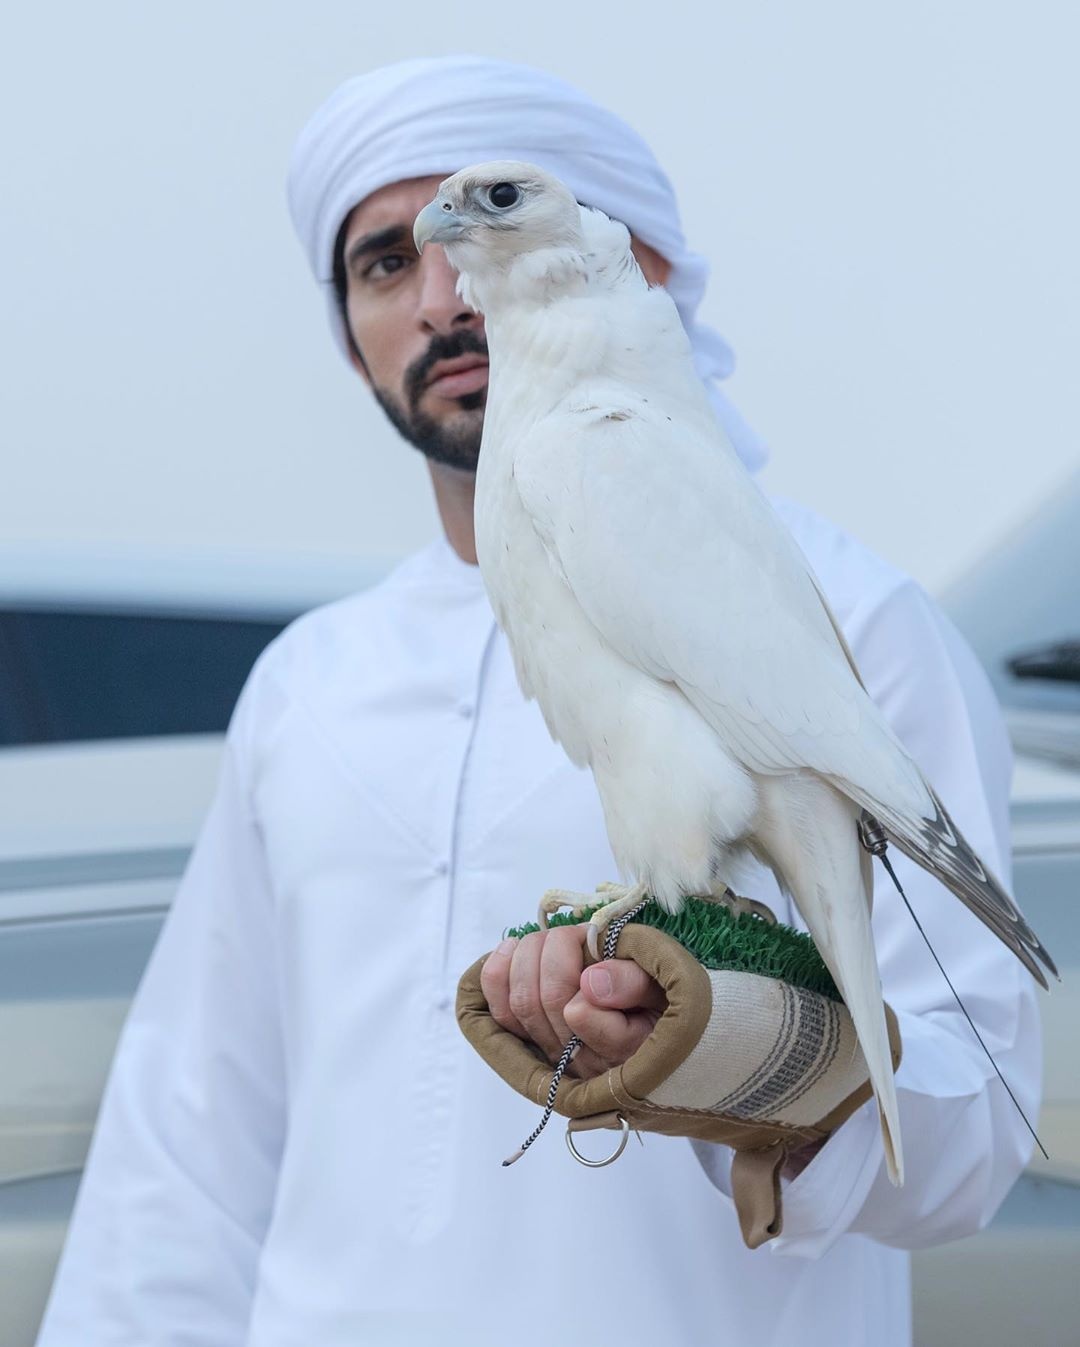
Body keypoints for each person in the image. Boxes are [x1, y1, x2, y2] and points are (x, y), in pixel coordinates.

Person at [36, 55, 1040, 1347]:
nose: (447, 295)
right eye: (386, 264)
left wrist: (733, 1056)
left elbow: (969, 1137)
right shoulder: (311, 682)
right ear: (349, 338)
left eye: (483, 232)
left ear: (646, 266)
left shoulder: (864, 618)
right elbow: (187, 1147)